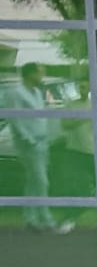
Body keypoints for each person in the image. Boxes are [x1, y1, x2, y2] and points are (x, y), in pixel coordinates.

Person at [6, 63, 70, 233]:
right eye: (40, 73)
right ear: (30, 74)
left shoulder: (36, 92)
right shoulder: (16, 93)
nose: (42, 77)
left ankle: (31, 218)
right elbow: (14, 119)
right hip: (29, 144)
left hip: (42, 142)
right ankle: (45, 218)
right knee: (41, 180)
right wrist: (27, 138)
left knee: (34, 181)